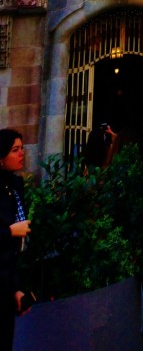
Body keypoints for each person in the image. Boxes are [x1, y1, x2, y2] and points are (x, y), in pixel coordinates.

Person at [0, 129, 31, 351]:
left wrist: (16, 289)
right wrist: (10, 231)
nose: (21, 154)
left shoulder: (15, 186)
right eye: (15, 150)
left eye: (22, 149)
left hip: (7, 280)